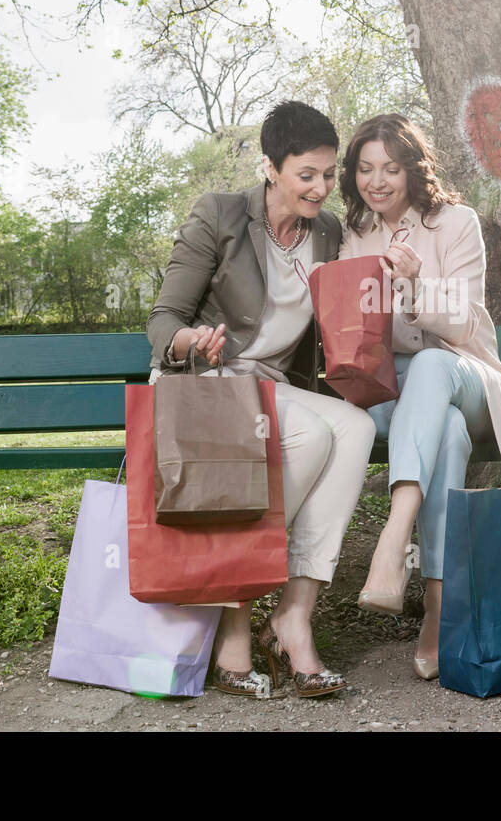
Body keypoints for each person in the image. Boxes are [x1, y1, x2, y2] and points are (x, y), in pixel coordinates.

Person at [147, 100, 376, 698]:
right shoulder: (219, 216)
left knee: (356, 429)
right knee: (312, 434)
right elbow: (164, 316)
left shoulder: (327, 232)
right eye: (307, 175)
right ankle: (233, 610)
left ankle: (290, 616)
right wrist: (188, 340)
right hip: (209, 387)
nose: (322, 188)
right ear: (271, 167)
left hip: (274, 389)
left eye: (329, 175)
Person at [337, 113, 501, 680]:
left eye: (390, 167)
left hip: (467, 375)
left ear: (413, 168)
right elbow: (348, 328)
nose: (377, 181)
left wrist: (414, 286)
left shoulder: (456, 223)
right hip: (393, 392)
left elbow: (464, 322)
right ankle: (438, 608)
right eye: (365, 168)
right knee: (448, 434)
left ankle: (394, 535)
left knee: (434, 365)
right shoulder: (355, 234)